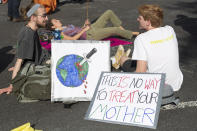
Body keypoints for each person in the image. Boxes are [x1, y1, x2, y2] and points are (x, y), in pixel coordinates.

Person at [118, 4, 183, 105]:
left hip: (155, 87)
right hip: (175, 83)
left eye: (140, 18)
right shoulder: (170, 30)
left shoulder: (141, 39)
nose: (137, 19)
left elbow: (141, 72)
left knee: (123, 59)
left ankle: (122, 59)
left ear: (148, 22)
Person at [0, 4, 48, 95]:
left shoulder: (33, 28)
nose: (47, 18)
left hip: (43, 60)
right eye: (44, 16)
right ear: (33, 18)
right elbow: (19, 60)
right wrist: (12, 85)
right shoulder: (27, 35)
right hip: (40, 67)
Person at [46, 10, 139, 40]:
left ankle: (123, 31)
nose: (58, 20)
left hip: (90, 28)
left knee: (108, 12)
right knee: (114, 29)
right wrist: (84, 30)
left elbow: (78, 30)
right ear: (53, 27)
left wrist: (85, 25)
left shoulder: (65, 27)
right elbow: (73, 39)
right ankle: (134, 33)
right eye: (55, 21)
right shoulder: (60, 33)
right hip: (90, 35)